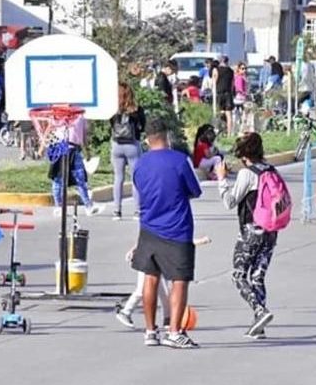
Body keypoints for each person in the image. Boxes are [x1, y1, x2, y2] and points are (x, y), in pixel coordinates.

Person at [131, 117, 203, 348]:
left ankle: (150, 331)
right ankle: (174, 331)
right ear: (167, 136)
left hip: (149, 229)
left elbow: (141, 189)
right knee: (179, 281)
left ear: (147, 140)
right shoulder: (179, 160)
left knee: (150, 280)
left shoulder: (140, 164)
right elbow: (194, 190)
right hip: (177, 230)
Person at [216, 133, 282, 339]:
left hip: (251, 231)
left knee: (238, 275)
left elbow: (230, 202)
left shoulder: (247, 174)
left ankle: (260, 311)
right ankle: (259, 325)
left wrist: (221, 178)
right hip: (271, 231)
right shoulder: (271, 170)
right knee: (257, 276)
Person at [49, 113, 100, 217]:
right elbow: (50, 130)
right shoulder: (57, 115)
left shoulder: (79, 116)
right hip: (60, 149)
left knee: (80, 178)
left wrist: (87, 151)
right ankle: (58, 206)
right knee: (58, 179)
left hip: (74, 149)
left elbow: (83, 135)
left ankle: (88, 206)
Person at [110, 83, 146, 220]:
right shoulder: (136, 110)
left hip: (117, 144)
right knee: (135, 178)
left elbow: (111, 124)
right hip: (132, 144)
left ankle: (117, 211)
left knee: (118, 178)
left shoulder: (113, 109)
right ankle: (137, 211)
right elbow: (143, 126)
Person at [213, 57, 236, 136]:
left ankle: (218, 130)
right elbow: (232, 84)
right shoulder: (231, 71)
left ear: (220, 62)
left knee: (218, 113)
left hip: (219, 93)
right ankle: (229, 133)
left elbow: (214, 82)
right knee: (229, 115)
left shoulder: (216, 70)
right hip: (228, 94)